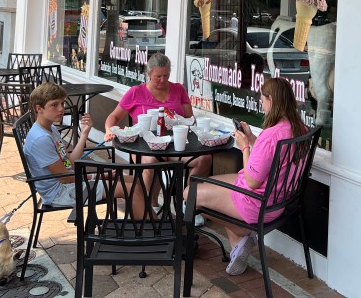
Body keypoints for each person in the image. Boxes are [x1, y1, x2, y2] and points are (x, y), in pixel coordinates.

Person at [185, 77, 308, 276]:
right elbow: (271, 156)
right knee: (210, 184)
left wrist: (244, 146)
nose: (261, 103)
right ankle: (237, 248)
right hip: (279, 200)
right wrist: (251, 139)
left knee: (190, 193)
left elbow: (252, 181)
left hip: (257, 204)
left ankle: (243, 232)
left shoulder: (272, 134)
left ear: (272, 100)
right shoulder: (299, 128)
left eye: (263, 100)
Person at [103, 53, 211, 222]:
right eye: (157, 77)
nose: (162, 80)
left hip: (175, 144)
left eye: (166, 76)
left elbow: (191, 121)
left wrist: (178, 121)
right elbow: (113, 117)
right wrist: (110, 130)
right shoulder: (136, 92)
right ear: (148, 74)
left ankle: (189, 203)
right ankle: (148, 206)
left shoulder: (178, 89)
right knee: (152, 161)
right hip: (145, 146)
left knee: (204, 158)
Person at [24, 82, 143, 215]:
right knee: (131, 189)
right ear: (39, 108)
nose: (61, 109)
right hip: (61, 193)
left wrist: (85, 133)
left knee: (133, 181)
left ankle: (144, 226)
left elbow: (70, 163)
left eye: (62, 104)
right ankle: (147, 230)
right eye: (54, 105)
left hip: (69, 184)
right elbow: (65, 177)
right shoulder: (41, 139)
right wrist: (99, 176)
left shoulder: (50, 129)